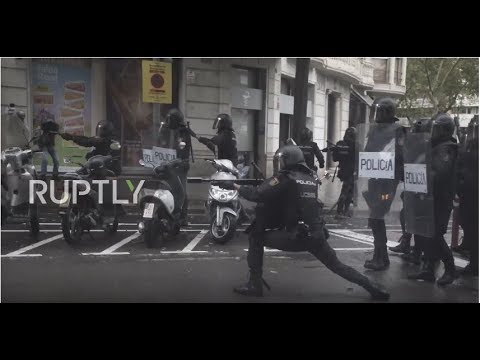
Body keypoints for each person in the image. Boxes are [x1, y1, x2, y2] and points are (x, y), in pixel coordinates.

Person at [214, 145, 390, 300]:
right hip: (316, 234)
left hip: (294, 236)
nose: (280, 165)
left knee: (255, 237)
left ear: (288, 161)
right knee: (337, 266)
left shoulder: (286, 178)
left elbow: (257, 194)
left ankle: (254, 284)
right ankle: (372, 287)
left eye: (281, 161)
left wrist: (234, 185)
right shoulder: (310, 178)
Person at [408, 113, 458, 285]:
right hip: (428, 196)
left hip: (440, 198)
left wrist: (422, 175)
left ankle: (450, 269)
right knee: (425, 233)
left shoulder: (447, 148)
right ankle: (428, 269)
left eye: (436, 128)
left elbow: (440, 174)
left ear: (445, 130)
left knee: (435, 234)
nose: (432, 132)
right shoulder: (434, 146)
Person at [362, 98, 406, 271]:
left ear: (388, 112)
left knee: (377, 216)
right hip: (374, 177)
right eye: (376, 111)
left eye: (380, 111)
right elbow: (367, 150)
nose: (377, 114)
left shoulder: (398, 130)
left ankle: (380, 257)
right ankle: (380, 256)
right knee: (374, 218)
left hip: (388, 180)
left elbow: (401, 154)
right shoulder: (373, 130)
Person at [455, 115, 478, 276]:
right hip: (468, 194)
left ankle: (475, 264)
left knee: (473, 229)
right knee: (469, 227)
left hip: (472, 195)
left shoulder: (471, 151)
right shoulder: (469, 148)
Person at [162, 108, 192, 226]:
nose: (168, 121)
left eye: (170, 119)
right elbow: (160, 143)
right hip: (166, 163)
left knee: (181, 190)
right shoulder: (165, 130)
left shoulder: (183, 132)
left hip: (180, 164)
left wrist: (180, 161)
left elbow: (184, 149)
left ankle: (182, 216)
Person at [324, 127, 356, 217]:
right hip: (352, 171)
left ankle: (343, 210)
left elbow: (335, 159)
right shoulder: (356, 144)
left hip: (343, 170)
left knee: (347, 190)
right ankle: (341, 211)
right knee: (347, 191)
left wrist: (337, 151)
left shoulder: (340, 144)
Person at [38, 113, 60, 180]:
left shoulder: (54, 126)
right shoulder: (44, 125)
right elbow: (42, 127)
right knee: (45, 160)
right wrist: (47, 123)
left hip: (51, 145)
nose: (49, 120)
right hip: (44, 145)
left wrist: (51, 124)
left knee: (56, 160)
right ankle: (43, 175)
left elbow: (57, 128)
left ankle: (55, 175)